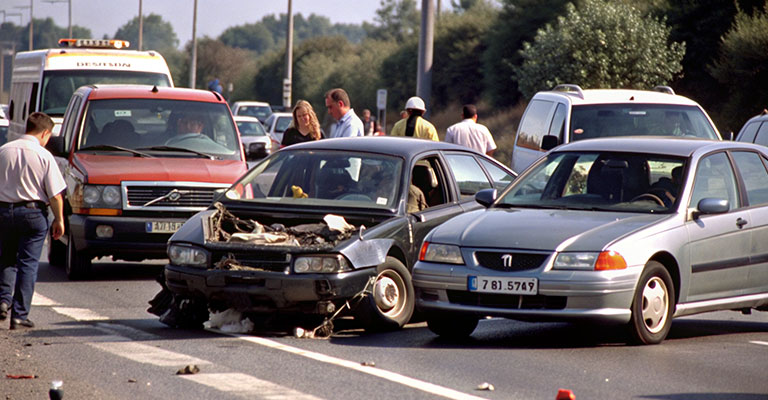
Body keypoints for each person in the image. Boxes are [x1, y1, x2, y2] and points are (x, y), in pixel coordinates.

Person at [0, 112, 66, 329]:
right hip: (31, 214)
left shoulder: (4, 150)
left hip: (2, 212)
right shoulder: (44, 155)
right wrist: (59, 219)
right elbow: (55, 195)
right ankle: (19, 315)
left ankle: (2, 300)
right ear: (45, 133)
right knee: (27, 263)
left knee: (6, 258)